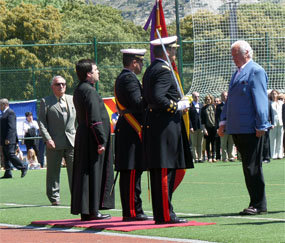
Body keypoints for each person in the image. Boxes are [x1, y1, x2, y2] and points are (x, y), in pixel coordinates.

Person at [142, 36, 194, 224]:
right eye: (172, 49)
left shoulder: (151, 69)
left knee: (161, 172)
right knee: (165, 171)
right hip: (165, 127)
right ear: (166, 51)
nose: (175, 52)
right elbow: (157, 98)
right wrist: (178, 106)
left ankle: (162, 213)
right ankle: (165, 215)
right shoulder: (164, 71)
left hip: (157, 126)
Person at [218, 40, 270, 215]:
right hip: (238, 127)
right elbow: (230, 100)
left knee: (252, 167)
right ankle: (254, 202)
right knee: (247, 166)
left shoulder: (256, 71)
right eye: (232, 55)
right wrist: (223, 121)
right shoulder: (237, 73)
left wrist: (262, 124)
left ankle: (259, 204)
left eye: (236, 54)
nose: (233, 58)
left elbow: (261, 100)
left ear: (246, 53)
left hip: (250, 128)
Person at [71, 59, 114, 221]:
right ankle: (93, 211)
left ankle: (86, 210)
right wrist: (101, 141)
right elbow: (94, 119)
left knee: (85, 173)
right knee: (93, 173)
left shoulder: (80, 89)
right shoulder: (89, 91)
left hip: (84, 134)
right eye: (96, 70)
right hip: (91, 137)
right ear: (89, 74)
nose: (98, 72)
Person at [114, 49, 151, 221]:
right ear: (134, 62)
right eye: (141, 62)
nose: (142, 65)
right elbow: (137, 103)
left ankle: (135, 208)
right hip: (130, 127)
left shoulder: (127, 77)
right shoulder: (128, 78)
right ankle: (131, 211)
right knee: (130, 171)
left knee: (134, 171)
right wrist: (151, 99)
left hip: (130, 127)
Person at [38, 76, 76, 206]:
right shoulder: (46, 101)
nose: (61, 86)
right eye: (58, 84)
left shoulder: (72, 99)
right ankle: (54, 198)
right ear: (52, 86)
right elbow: (42, 122)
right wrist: (48, 139)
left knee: (75, 171)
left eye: (63, 84)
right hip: (54, 142)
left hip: (72, 141)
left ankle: (76, 197)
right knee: (53, 172)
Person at [0, 98, 28, 179]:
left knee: (10, 154)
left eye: (0, 105)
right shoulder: (3, 113)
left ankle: (23, 167)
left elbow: (11, 127)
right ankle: (8, 172)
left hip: (9, 139)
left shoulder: (10, 113)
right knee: (5, 156)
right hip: (3, 139)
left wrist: (8, 138)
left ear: (4, 105)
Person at [215, 91, 235, 162]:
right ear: (221, 97)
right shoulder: (218, 106)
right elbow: (217, 118)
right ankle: (224, 157)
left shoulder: (231, 105)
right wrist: (218, 128)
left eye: (226, 96)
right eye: (224, 96)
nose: (225, 97)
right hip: (222, 127)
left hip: (231, 126)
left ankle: (231, 156)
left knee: (231, 142)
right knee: (223, 143)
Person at [189, 92, 204, 163]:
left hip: (200, 127)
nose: (197, 98)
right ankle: (196, 158)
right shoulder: (190, 105)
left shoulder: (201, 105)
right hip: (193, 128)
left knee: (200, 143)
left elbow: (203, 117)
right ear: (192, 97)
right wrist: (190, 127)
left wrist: (204, 127)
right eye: (195, 96)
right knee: (194, 144)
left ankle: (200, 158)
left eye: (198, 96)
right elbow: (188, 118)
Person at [201, 95, 217, 162]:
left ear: (211, 100)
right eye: (207, 99)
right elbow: (202, 120)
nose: (208, 100)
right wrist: (204, 129)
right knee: (207, 143)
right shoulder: (203, 108)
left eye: (209, 99)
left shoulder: (214, 107)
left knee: (213, 142)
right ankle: (209, 157)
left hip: (214, 127)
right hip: (207, 127)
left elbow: (217, 118)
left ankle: (213, 157)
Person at [269, 89, 283, 159]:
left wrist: (280, 95)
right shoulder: (269, 103)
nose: (274, 95)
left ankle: (279, 154)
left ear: (277, 94)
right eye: (273, 94)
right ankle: (273, 154)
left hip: (281, 123)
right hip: (272, 123)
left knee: (280, 139)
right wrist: (270, 122)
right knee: (272, 139)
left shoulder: (281, 102)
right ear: (271, 95)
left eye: (275, 94)